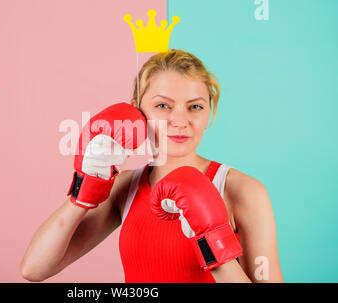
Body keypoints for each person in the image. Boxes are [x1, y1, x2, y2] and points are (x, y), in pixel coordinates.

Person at [20, 49, 283, 283]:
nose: (180, 120)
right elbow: (34, 269)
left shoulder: (241, 190)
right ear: (137, 111)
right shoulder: (125, 186)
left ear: (208, 112)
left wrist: (214, 244)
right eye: (163, 105)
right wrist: (84, 191)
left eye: (195, 107)